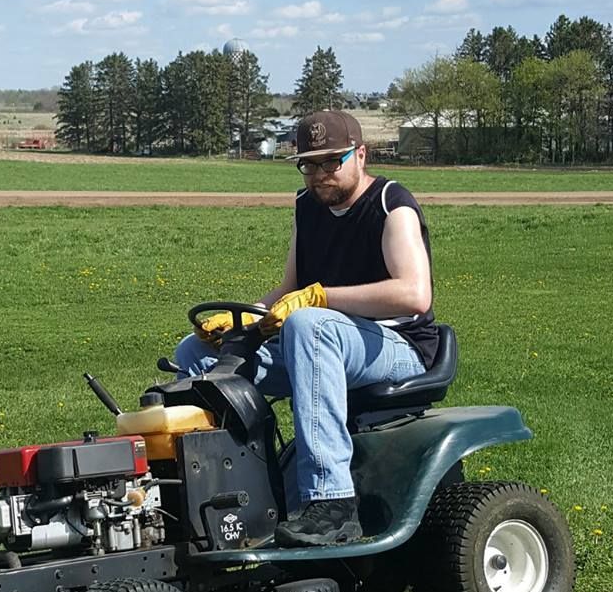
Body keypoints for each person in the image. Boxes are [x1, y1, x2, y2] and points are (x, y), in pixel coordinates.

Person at [174, 109, 439, 546]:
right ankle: (211, 493)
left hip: (397, 345)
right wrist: (245, 318)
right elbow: (290, 290)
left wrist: (321, 298)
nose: (319, 175)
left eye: (332, 162)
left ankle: (331, 503)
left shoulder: (392, 204)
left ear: (361, 155)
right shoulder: (307, 208)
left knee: (309, 327)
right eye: (310, 165)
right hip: (324, 337)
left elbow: (414, 294)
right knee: (196, 353)